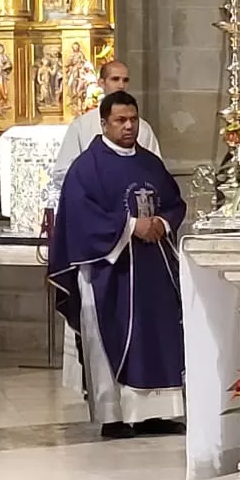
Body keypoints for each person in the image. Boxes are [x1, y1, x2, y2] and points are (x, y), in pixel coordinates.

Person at [47, 91, 187, 440]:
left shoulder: (149, 163)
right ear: (104, 122)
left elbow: (174, 201)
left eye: (133, 120)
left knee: (158, 334)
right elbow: (80, 217)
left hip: (152, 267)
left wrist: (163, 223)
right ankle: (115, 416)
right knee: (107, 337)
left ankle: (157, 412)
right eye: (120, 121)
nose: (128, 127)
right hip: (110, 271)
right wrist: (130, 227)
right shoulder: (87, 167)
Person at [50, 60, 162, 204]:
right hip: (95, 206)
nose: (121, 85)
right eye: (115, 79)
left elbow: (156, 170)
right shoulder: (81, 126)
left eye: (125, 80)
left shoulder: (143, 128)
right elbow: (62, 173)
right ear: (101, 83)